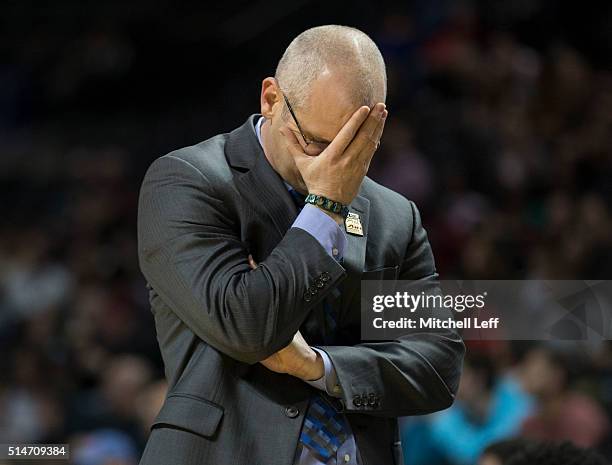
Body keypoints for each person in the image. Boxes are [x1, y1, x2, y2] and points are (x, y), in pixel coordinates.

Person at [136, 25, 465, 465]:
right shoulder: (188, 182)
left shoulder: (394, 217)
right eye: (316, 142)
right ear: (270, 99)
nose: (330, 164)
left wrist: (318, 366)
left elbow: (437, 365)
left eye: (353, 147)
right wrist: (325, 207)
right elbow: (249, 330)